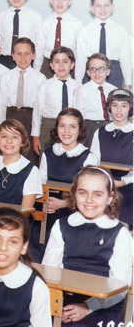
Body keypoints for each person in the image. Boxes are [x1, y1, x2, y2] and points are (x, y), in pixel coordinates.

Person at [42, 167, 132, 327]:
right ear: (74, 194)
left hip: (101, 309)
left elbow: (120, 287)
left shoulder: (120, 233)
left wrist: (88, 307)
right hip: (62, 303)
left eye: (97, 194)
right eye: (83, 192)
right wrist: (54, 305)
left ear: (109, 198)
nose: (89, 200)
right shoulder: (61, 226)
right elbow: (49, 272)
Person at [39, 108, 98, 242]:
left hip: (75, 212)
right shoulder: (48, 154)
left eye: (72, 126)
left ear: (80, 130)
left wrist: (63, 203)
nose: (66, 131)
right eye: (62, 126)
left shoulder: (88, 158)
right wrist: (45, 203)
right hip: (48, 211)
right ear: (56, 128)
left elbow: (89, 195)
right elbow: (40, 186)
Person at [0, 38, 46, 164]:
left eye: (27, 53)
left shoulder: (40, 78)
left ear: (33, 55)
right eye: (18, 54)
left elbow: (39, 109)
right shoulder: (6, 77)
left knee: (28, 157)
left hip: (30, 119)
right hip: (10, 116)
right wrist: (0, 128)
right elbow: (1, 105)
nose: (23, 57)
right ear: (12, 56)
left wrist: (36, 134)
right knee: (8, 154)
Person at [91, 89, 133, 228]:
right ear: (109, 107)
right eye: (115, 105)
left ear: (130, 108)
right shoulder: (101, 132)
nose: (119, 110)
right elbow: (93, 162)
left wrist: (123, 182)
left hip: (129, 186)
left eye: (124, 105)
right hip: (105, 184)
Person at [0, 119, 43, 209]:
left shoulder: (31, 171)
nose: (9, 141)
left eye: (15, 137)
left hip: (18, 221)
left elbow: (25, 211)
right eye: (4, 136)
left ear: (23, 142)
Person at [75, 0, 132, 88]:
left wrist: (127, 83)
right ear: (92, 9)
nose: (103, 9)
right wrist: (78, 82)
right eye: (98, 6)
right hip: (91, 71)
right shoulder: (85, 31)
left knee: (113, 101)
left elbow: (125, 58)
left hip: (113, 71)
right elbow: (81, 58)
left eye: (106, 5)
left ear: (112, 7)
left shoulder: (120, 30)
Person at [31, 47, 80, 155]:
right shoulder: (45, 86)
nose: (61, 65)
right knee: (47, 158)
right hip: (49, 125)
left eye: (65, 61)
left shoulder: (78, 87)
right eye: (57, 62)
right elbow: (37, 111)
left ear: (72, 65)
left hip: (71, 127)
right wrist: (35, 135)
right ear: (51, 65)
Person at [35, 0, 83, 78]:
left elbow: (80, 54)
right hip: (47, 66)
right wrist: (36, 73)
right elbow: (39, 50)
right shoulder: (44, 24)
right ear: (51, 0)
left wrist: (78, 79)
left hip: (68, 66)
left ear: (70, 1)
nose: (60, 3)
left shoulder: (77, 24)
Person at [0, 0, 42, 69]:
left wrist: (37, 67)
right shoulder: (0, 16)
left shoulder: (35, 17)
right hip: (4, 61)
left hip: (27, 61)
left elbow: (39, 44)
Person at [74, 53, 117, 147]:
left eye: (101, 69)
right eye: (93, 69)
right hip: (89, 127)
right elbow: (79, 115)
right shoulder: (82, 90)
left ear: (108, 72)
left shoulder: (114, 91)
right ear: (88, 72)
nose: (97, 73)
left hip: (110, 125)